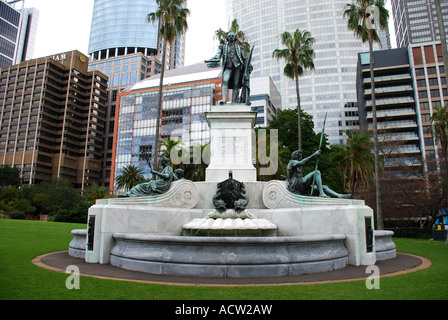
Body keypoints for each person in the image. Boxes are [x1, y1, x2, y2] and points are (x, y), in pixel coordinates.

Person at [206, 32, 252, 104]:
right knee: (225, 80)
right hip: (228, 67)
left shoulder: (240, 48)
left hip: (238, 67)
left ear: (235, 38)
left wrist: (249, 64)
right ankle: (224, 99)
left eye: (233, 36)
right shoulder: (223, 47)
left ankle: (233, 101)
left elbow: (244, 58)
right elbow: (218, 55)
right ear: (227, 38)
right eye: (229, 36)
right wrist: (214, 59)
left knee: (236, 84)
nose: (231, 37)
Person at [287, 150, 351, 198]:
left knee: (324, 187)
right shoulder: (292, 162)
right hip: (296, 185)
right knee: (316, 172)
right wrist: (314, 155)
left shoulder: (294, 165)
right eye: (299, 157)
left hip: (301, 185)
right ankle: (321, 193)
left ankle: (339, 195)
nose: (301, 158)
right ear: (295, 156)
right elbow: (302, 162)